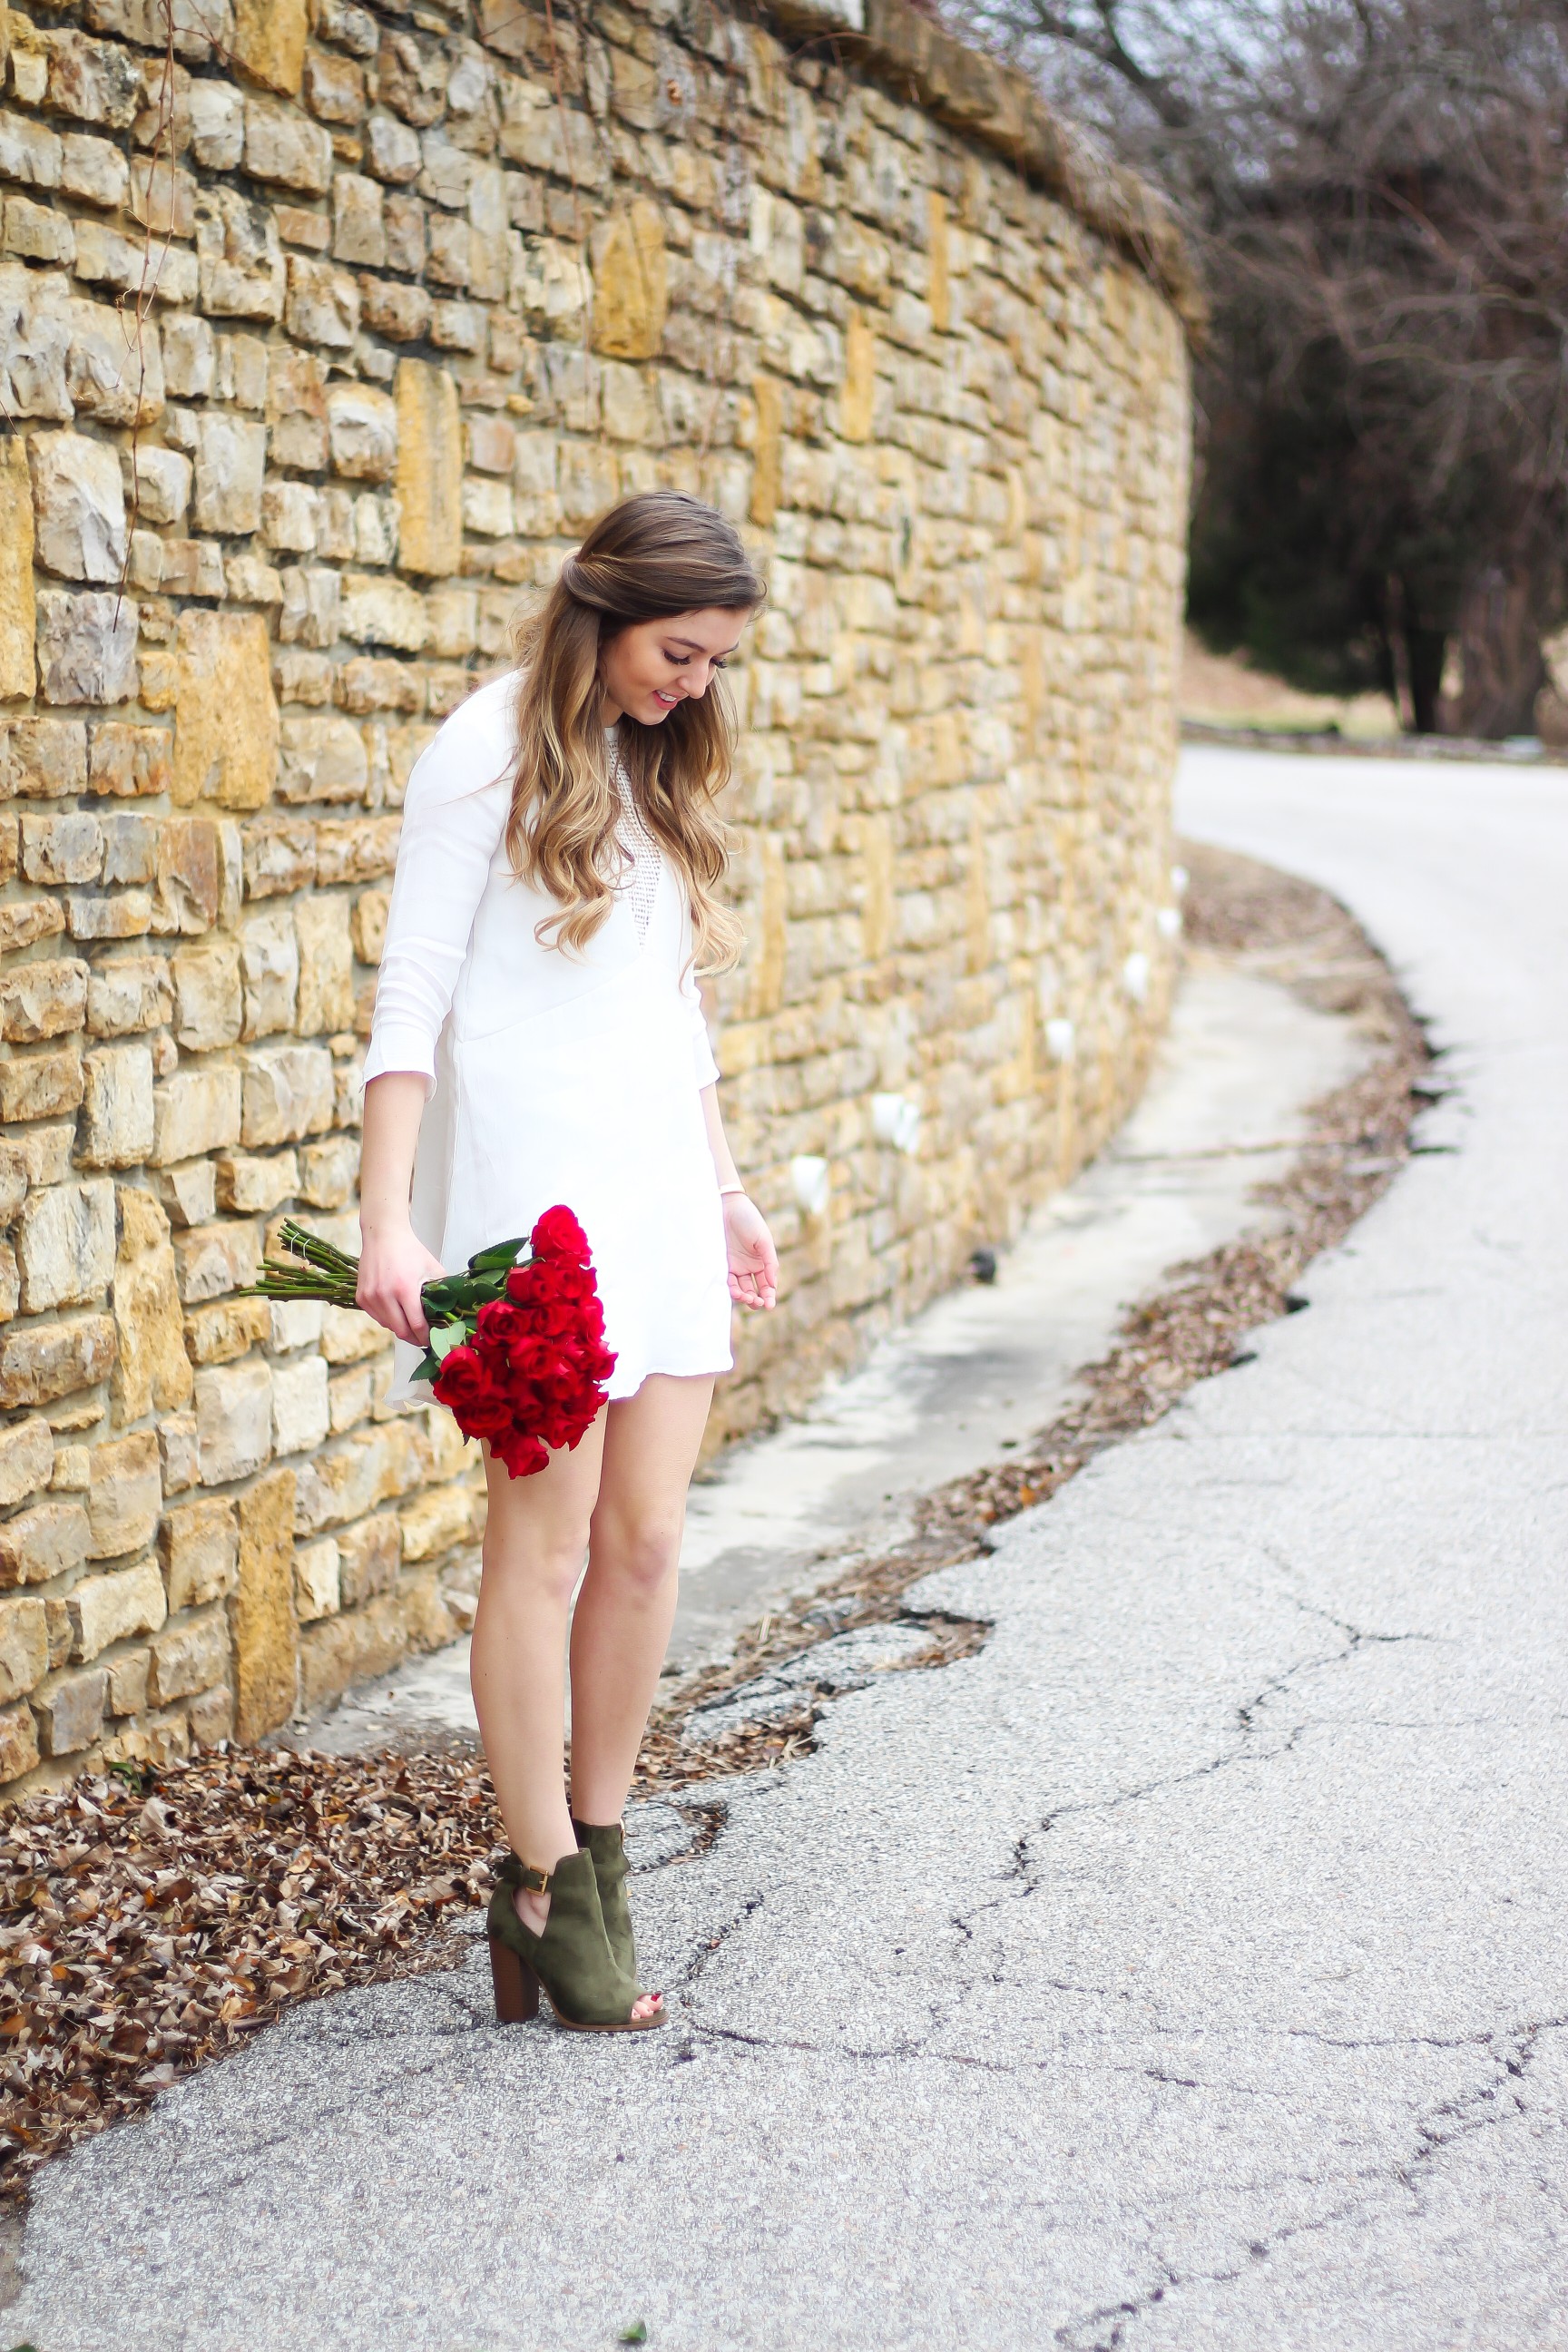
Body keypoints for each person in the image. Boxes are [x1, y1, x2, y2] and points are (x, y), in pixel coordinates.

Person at [355, 491, 779, 2033]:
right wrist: (386, 1218)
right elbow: (411, 998)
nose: (697, 684)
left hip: (663, 1193)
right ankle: (536, 1883)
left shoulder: (651, 764)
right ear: (601, 611)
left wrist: (726, 1187)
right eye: (682, 650)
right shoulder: (482, 751)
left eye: (719, 660)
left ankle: (599, 1855)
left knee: (651, 1540)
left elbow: (672, 1011)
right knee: (544, 1542)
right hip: (534, 1214)